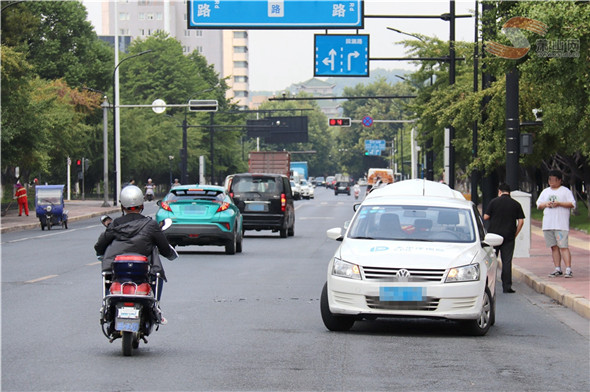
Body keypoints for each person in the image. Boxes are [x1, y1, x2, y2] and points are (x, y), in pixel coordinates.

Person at [94, 185, 178, 323]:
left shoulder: (114, 224)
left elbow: (99, 245)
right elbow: (164, 248)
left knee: (108, 277)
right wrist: (170, 254)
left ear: (122, 206)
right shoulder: (150, 225)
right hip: (143, 269)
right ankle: (156, 307)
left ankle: (107, 308)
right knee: (157, 276)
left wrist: (100, 252)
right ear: (142, 205)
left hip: (116, 269)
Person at [483, 183, 525, 293]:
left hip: (494, 236)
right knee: (507, 261)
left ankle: (488, 284)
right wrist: (515, 233)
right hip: (509, 235)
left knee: (491, 261)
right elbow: (521, 221)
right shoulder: (515, 204)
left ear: (500, 191)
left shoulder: (494, 202)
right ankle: (507, 286)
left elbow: (486, 217)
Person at [536, 170, 576, 278]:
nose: (551, 182)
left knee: (563, 246)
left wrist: (559, 204)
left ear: (559, 180)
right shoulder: (545, 192)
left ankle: (568, 268)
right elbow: (539, 205)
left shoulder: (565, 191)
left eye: (554, 180)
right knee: (553, 247)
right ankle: (557, 268)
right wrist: (546, 204)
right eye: (550, 180)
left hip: (560, 224)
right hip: (548, 224)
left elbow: (572, 204)